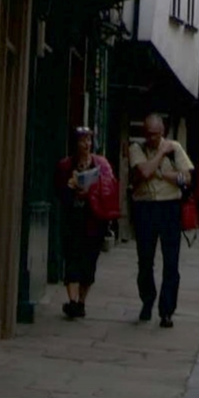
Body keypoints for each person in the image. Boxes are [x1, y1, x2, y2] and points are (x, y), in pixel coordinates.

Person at [125, 112, 194, 326]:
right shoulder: (137, 149)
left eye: (155, 135)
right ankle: (147, 299)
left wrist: (162, 174)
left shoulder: (175, 148)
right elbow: (144, 172)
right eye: (148, 134)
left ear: (162, 132)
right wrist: (159, 156)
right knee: (145, 260)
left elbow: (186, 177)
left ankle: (167, 310)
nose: (151, 138)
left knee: (171, 262)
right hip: (144, 207)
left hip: (169, 207)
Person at [56, 128, 117, 318]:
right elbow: (58, 191)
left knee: (89, 262)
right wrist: (72, 190)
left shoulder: (102, 164)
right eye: (82, 140)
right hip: (73, 218)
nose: (86, 144)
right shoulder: (65, 165)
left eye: (89, 140)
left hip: (94, 219)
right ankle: (73, 302)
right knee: (72, 258)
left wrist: (90, 192)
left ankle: (82, 301)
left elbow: (110, 187)